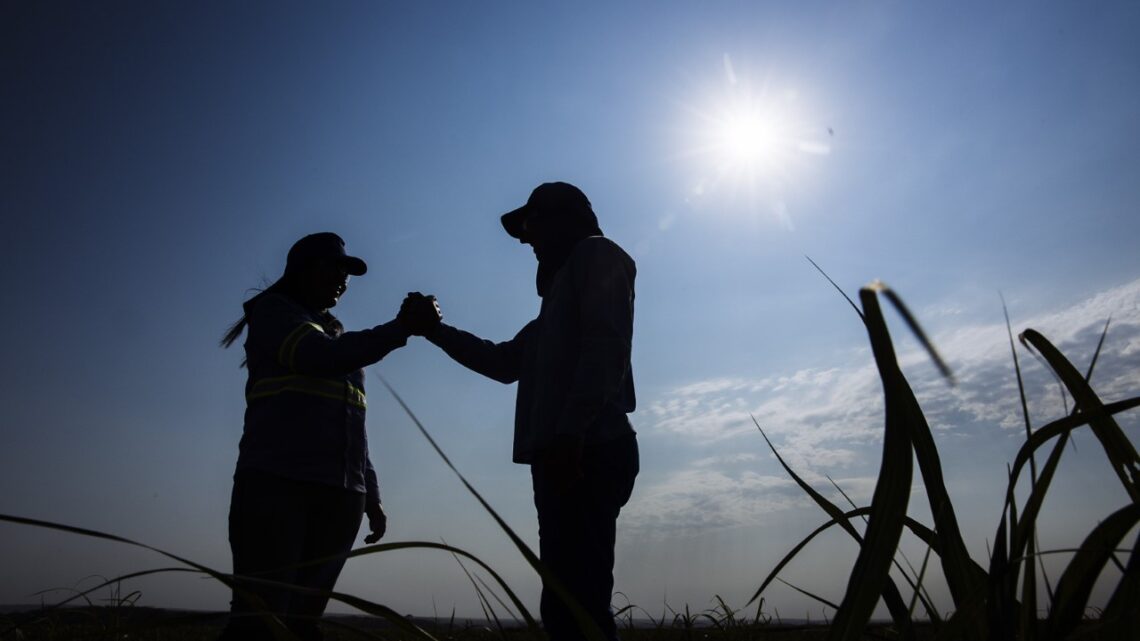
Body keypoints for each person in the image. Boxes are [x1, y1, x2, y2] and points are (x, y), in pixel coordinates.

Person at [399, 182, 639, 641]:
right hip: (565, 455)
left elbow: (607, 348)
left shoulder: (596, 255)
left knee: (580, 599)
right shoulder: (552, 315)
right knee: (565, 599)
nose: (527, 240)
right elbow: (503, 362)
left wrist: (570, 436)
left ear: (566, 220)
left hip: (586, 451)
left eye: (532, 226)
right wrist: (434, 330)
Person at [218, 232, 417, 641]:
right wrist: (402, 327)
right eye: (335, 268)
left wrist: (371, 495)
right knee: (260, 619)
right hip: (278, 485)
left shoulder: (336, 336)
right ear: (303, 269)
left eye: (348, 272)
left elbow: (354, 427)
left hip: (340, 494)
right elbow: (317, 357)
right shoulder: (275, 314)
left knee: (304, 621)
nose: (343, 279)